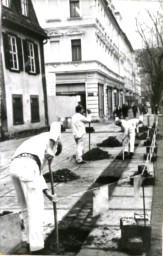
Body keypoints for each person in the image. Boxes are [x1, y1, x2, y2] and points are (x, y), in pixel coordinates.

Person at [10, 122, 62, 253]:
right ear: (57, 145)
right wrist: (51, 149)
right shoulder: (52, 138)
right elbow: (56, 125)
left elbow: (37, 174)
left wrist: (48, 193)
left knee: (26, 208)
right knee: (36, 210)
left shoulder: (36, 143)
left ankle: (30, 243)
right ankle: (38, 248)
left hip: (15, 167)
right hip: (27, 166)